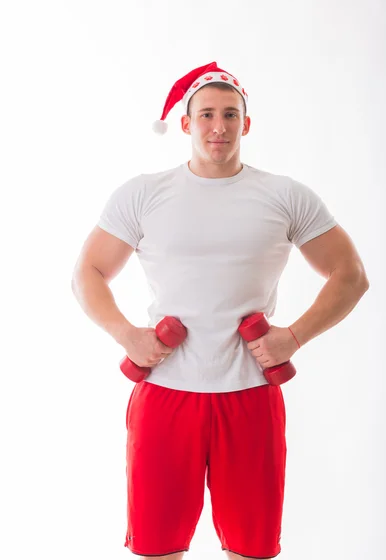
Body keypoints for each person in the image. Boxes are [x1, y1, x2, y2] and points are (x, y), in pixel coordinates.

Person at [71, 61, 370, 560]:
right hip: (166, 396)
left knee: (252, 551)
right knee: (156, 549)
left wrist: (292, 338)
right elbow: (88, 273)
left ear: (246, 124)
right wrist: (127, 335)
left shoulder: (284, 195)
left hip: (250, 397)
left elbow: (351, 275)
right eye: (206, 114)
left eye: (231, 114)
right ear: (185, 123)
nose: (219, 126)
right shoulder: (144, 194)